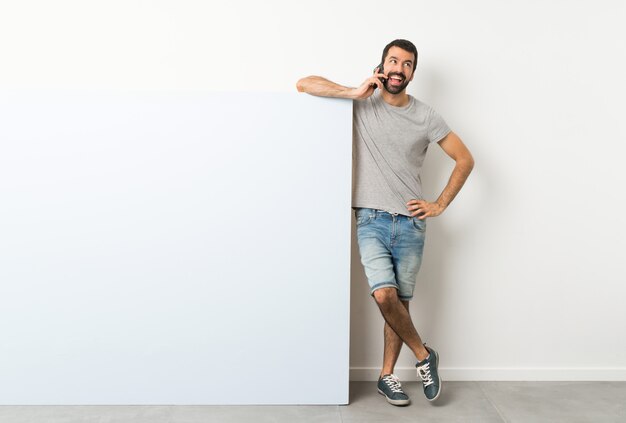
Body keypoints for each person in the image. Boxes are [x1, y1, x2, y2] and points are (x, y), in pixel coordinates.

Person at [296, 39, 474, 406]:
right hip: (371, 219)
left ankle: (386, 376)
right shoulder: (362, 104)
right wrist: (353, 91)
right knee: (383, 294)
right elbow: (303, 84)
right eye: (393, 61)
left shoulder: (427, 116)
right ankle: (424, 356)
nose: (398, 68)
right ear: (381, 65)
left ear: (412, 72)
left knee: (399, 305)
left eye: (406, 64)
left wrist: (439, 204)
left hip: (411, 223)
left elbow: (465, 160)